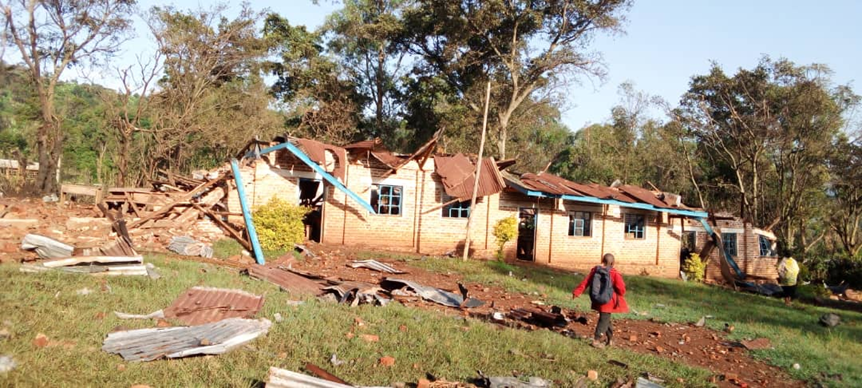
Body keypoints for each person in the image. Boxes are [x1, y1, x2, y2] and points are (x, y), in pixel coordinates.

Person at [572, 253, 628, 348]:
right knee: (604, 319)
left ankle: (610, 339)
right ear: (613, 262)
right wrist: (620, 294)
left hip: (597, 299)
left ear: (602, 260)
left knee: (606, 319)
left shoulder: (595, 271)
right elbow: (621, 288)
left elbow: (586, 282)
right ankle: (596, 340)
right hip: (609, 301)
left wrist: (577, 292)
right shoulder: (614, 273)